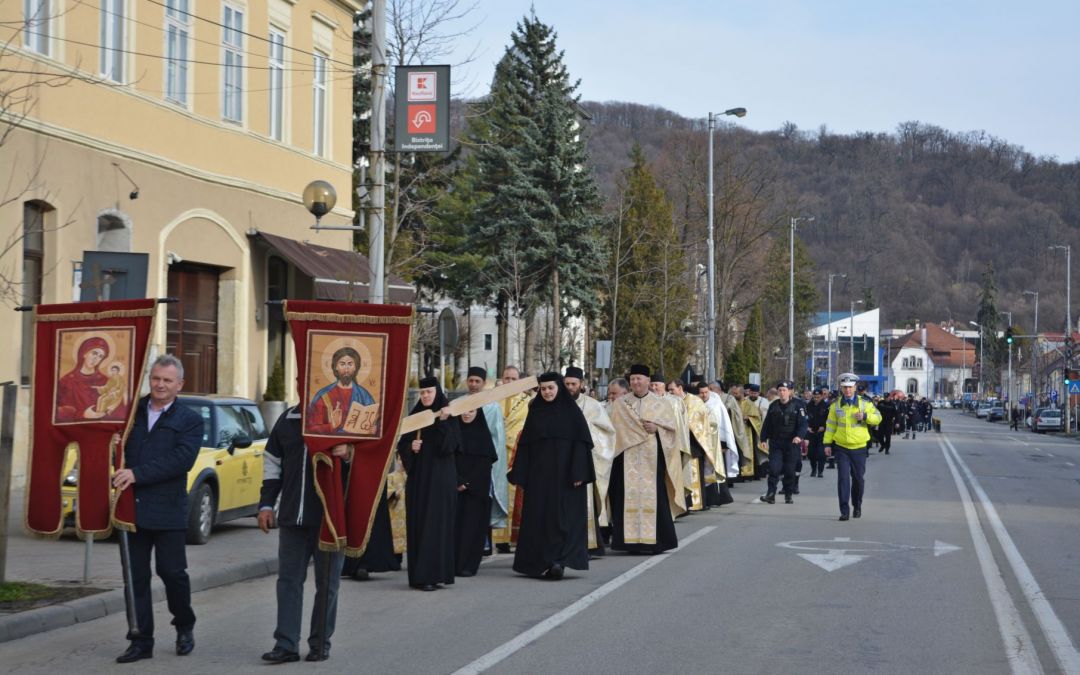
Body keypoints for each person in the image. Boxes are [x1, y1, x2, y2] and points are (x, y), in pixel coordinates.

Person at [111, 355, 203, 664]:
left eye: (167, 380)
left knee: (172, 573)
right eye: (156, 379)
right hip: (132, 509)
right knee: (135, 577)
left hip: (168, 510)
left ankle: (184, 625)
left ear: (179, 384)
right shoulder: (129, 414)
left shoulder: (189, 419)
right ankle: (140, 640)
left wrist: (137, 474)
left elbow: (182, 460)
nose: (160, 385)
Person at [258, 393, 351, 663]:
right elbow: (272, 464)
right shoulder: (287, 420)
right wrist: (265, 505)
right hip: (292, 519)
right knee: (287, 582)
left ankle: (320, 643)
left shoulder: (345, 420)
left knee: (328, 583)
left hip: (330, 519)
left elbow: (372, 461)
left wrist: (349, 453)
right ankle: (286, 645)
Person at [508, 372, 595, 579]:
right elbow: (526, 446)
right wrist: (522, 474)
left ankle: (559, 561)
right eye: (543, 388)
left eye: (551, 388)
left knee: (562, 519)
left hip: (566, 478)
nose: (547, 392)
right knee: (539, 519)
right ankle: (540, 562)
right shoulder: (535, 412)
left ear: (559, 389)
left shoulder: (572, 413)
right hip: (539, 478)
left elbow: (581, 445)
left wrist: (579, 472)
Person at [608, 365, 683, 554]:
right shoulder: (621, 404)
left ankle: (655, 542)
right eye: (632, 379)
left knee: (655, 496)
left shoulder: (661, 404)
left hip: (652, 459)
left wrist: (657, 429)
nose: (635, 382)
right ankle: (629, 542)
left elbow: (674, 432)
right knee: (627, 497)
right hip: (627, 459)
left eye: (639, 379)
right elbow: (612, 431)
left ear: (648, 381)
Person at [396, 377, 459, 591]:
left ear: (437, 392)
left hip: (441, 482)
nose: (425, 396)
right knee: (420, 525)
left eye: (429, 392)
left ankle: (436, 575)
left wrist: (442, 422)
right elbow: (402, 445)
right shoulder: (415, 417)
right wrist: (410, 448)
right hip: (419, 482)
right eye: (422, 393)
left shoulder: (448, 415)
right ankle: (420, 577)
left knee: (438, 526)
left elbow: (449, 446)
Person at [563, 367, 616, 557]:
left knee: (585, 504)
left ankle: (589, 544)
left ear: (581, 385)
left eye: (573, 384)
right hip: (561, 463)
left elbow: (608, 433)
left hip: (585, 461)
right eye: (567, 384)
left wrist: (584, 436)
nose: (570, 387)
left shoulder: (593, 406)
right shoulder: (556, 405)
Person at [824, 373, 882, 521]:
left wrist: (865, 417)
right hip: (841, 447)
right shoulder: (835, 406)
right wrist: (827, 444)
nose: (847, 390)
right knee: (843, 479)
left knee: (858, 479)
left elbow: (878, 418)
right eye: (845, 387)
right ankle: (844, 510)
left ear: (855, 387)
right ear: (841, 388)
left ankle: (857, 505)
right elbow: (830, 426)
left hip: (859, 448)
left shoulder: (865, 404)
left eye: (850, 387)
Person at [463, 366, 507, 556]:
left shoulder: (492, 406)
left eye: (477, 381)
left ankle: (484, 544)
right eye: (471, 381)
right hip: (463, 462)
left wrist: (492, 464)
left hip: (483, 463)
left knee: (482, 504)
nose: (473, 384)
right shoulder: (459, 404)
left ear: (483, 383)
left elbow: (497, 437)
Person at [454, 407, 498, 576]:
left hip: (476, 492)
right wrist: (458, 481)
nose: (466, 413)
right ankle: (453, 563)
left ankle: (468, 565)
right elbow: (448, 459)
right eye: (464, 411)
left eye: (471, 411)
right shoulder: (455, 434)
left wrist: (468, 483)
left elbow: (484, 465)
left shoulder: (483, 436)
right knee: (455, 528)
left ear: (477, 414)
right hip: (455, 489)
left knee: (472, 528)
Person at [494, 365, 531, 552]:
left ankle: (515, 537)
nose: (509, 382)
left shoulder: (528, 402)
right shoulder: (493, 401)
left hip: (517, 456)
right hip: (496, 456)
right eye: (506, 378)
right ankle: (498, 538)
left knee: (516, 498)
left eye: (513, 379)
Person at [759, 380, 809, 504]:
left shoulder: (798, 405)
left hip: (792, 443)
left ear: (790, 391)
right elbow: (767, 424)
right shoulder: (773, 405)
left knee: (789, 470)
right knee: (774, 468)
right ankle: (771, 494)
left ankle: (788, 493)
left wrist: (799, 437)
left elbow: (803, 424)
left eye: (784, 390)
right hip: (776, 443)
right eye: (780, 390)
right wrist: (763, 438)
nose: (782, 393)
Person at [306, 347, 376, 434]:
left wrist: (374, 429)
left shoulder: (364, 396)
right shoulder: (324, 395)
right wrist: (332, 426)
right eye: (342, 364)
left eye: (350, 364)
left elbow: (375, 422)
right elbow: (311, 427)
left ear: (355, 367)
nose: (346, 369)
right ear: (336, 367)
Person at [57, 335, 124, 421]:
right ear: (84, 353)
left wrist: (107, 411)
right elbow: (56, 411)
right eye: (94, 353)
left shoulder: (107, 381)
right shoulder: (66, 381)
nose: (96, 358)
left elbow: (120, 412)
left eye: (100, 356)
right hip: (73, 431)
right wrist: (82, 414)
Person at [805, 388, 830, 477]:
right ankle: (813, 469)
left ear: (822, 396)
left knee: (821, 453)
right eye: (815, 397)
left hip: (822, 433)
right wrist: (807, 427)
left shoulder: (826, 406)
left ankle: (820, 471)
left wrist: (824, 427)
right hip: (811, 432)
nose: (816, 399)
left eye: (818, 397)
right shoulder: (809, 405)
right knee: (811, 453)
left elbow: (830, 420)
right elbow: (805, 418)